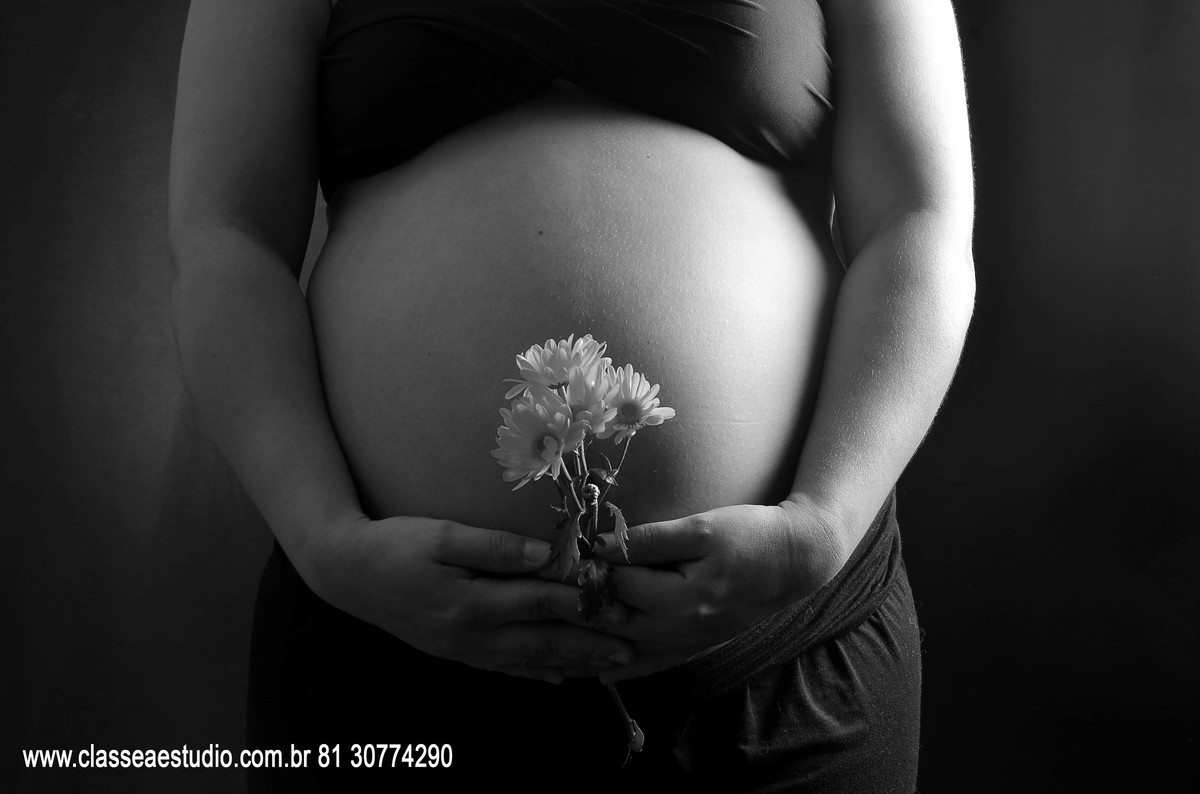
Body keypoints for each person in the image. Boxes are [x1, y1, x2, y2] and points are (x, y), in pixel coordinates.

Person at [168, 0, 974, 790]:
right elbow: (225, 242)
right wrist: (325, 544)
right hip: (388, 645)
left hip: (776, 648)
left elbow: (921, 223)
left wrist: (822, 528)